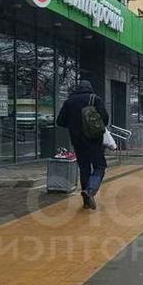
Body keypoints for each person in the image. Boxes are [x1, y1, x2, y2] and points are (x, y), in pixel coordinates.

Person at [56, 79, 109, 209]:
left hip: (78, 141)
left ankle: (86, 202)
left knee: (84, 169)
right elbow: (105, 119)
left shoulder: (69, 102)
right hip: (94, 139)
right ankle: (90, 191)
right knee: (100, 166)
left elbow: (60, 122)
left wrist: (74, 124)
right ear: (89, 88)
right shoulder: (94, 99)